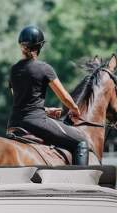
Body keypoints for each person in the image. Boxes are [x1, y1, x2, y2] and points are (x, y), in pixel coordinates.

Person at [7, 25, 89, 165]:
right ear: (39, 47)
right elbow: (64, 97)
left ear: (21, 46)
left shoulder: (13, 70)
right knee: (81, 141)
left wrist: (46, 110)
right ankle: (81, 181)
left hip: (13, 124)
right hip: (36, 122)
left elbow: (19, 100)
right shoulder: (44, 68)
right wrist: (75, 109)